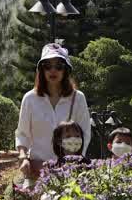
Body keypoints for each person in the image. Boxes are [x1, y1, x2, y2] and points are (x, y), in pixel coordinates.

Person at [15, 42, 91, 183]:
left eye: (59, 66)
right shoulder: (30, 98)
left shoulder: (78, 98)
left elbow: (85, 133)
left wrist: (75, 162)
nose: (53, 70)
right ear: (41, 70)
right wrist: (23, 157)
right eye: (47, 66)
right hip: (37, 171)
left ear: (66, 70)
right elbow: (22, 134)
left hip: (69, 172)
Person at [21, 120, 85, 200]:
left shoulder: (88, 165)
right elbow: (43, 196)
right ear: (59, 141)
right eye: (68, 136)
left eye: (77, 136)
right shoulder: (53, 167)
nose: (74, 139)